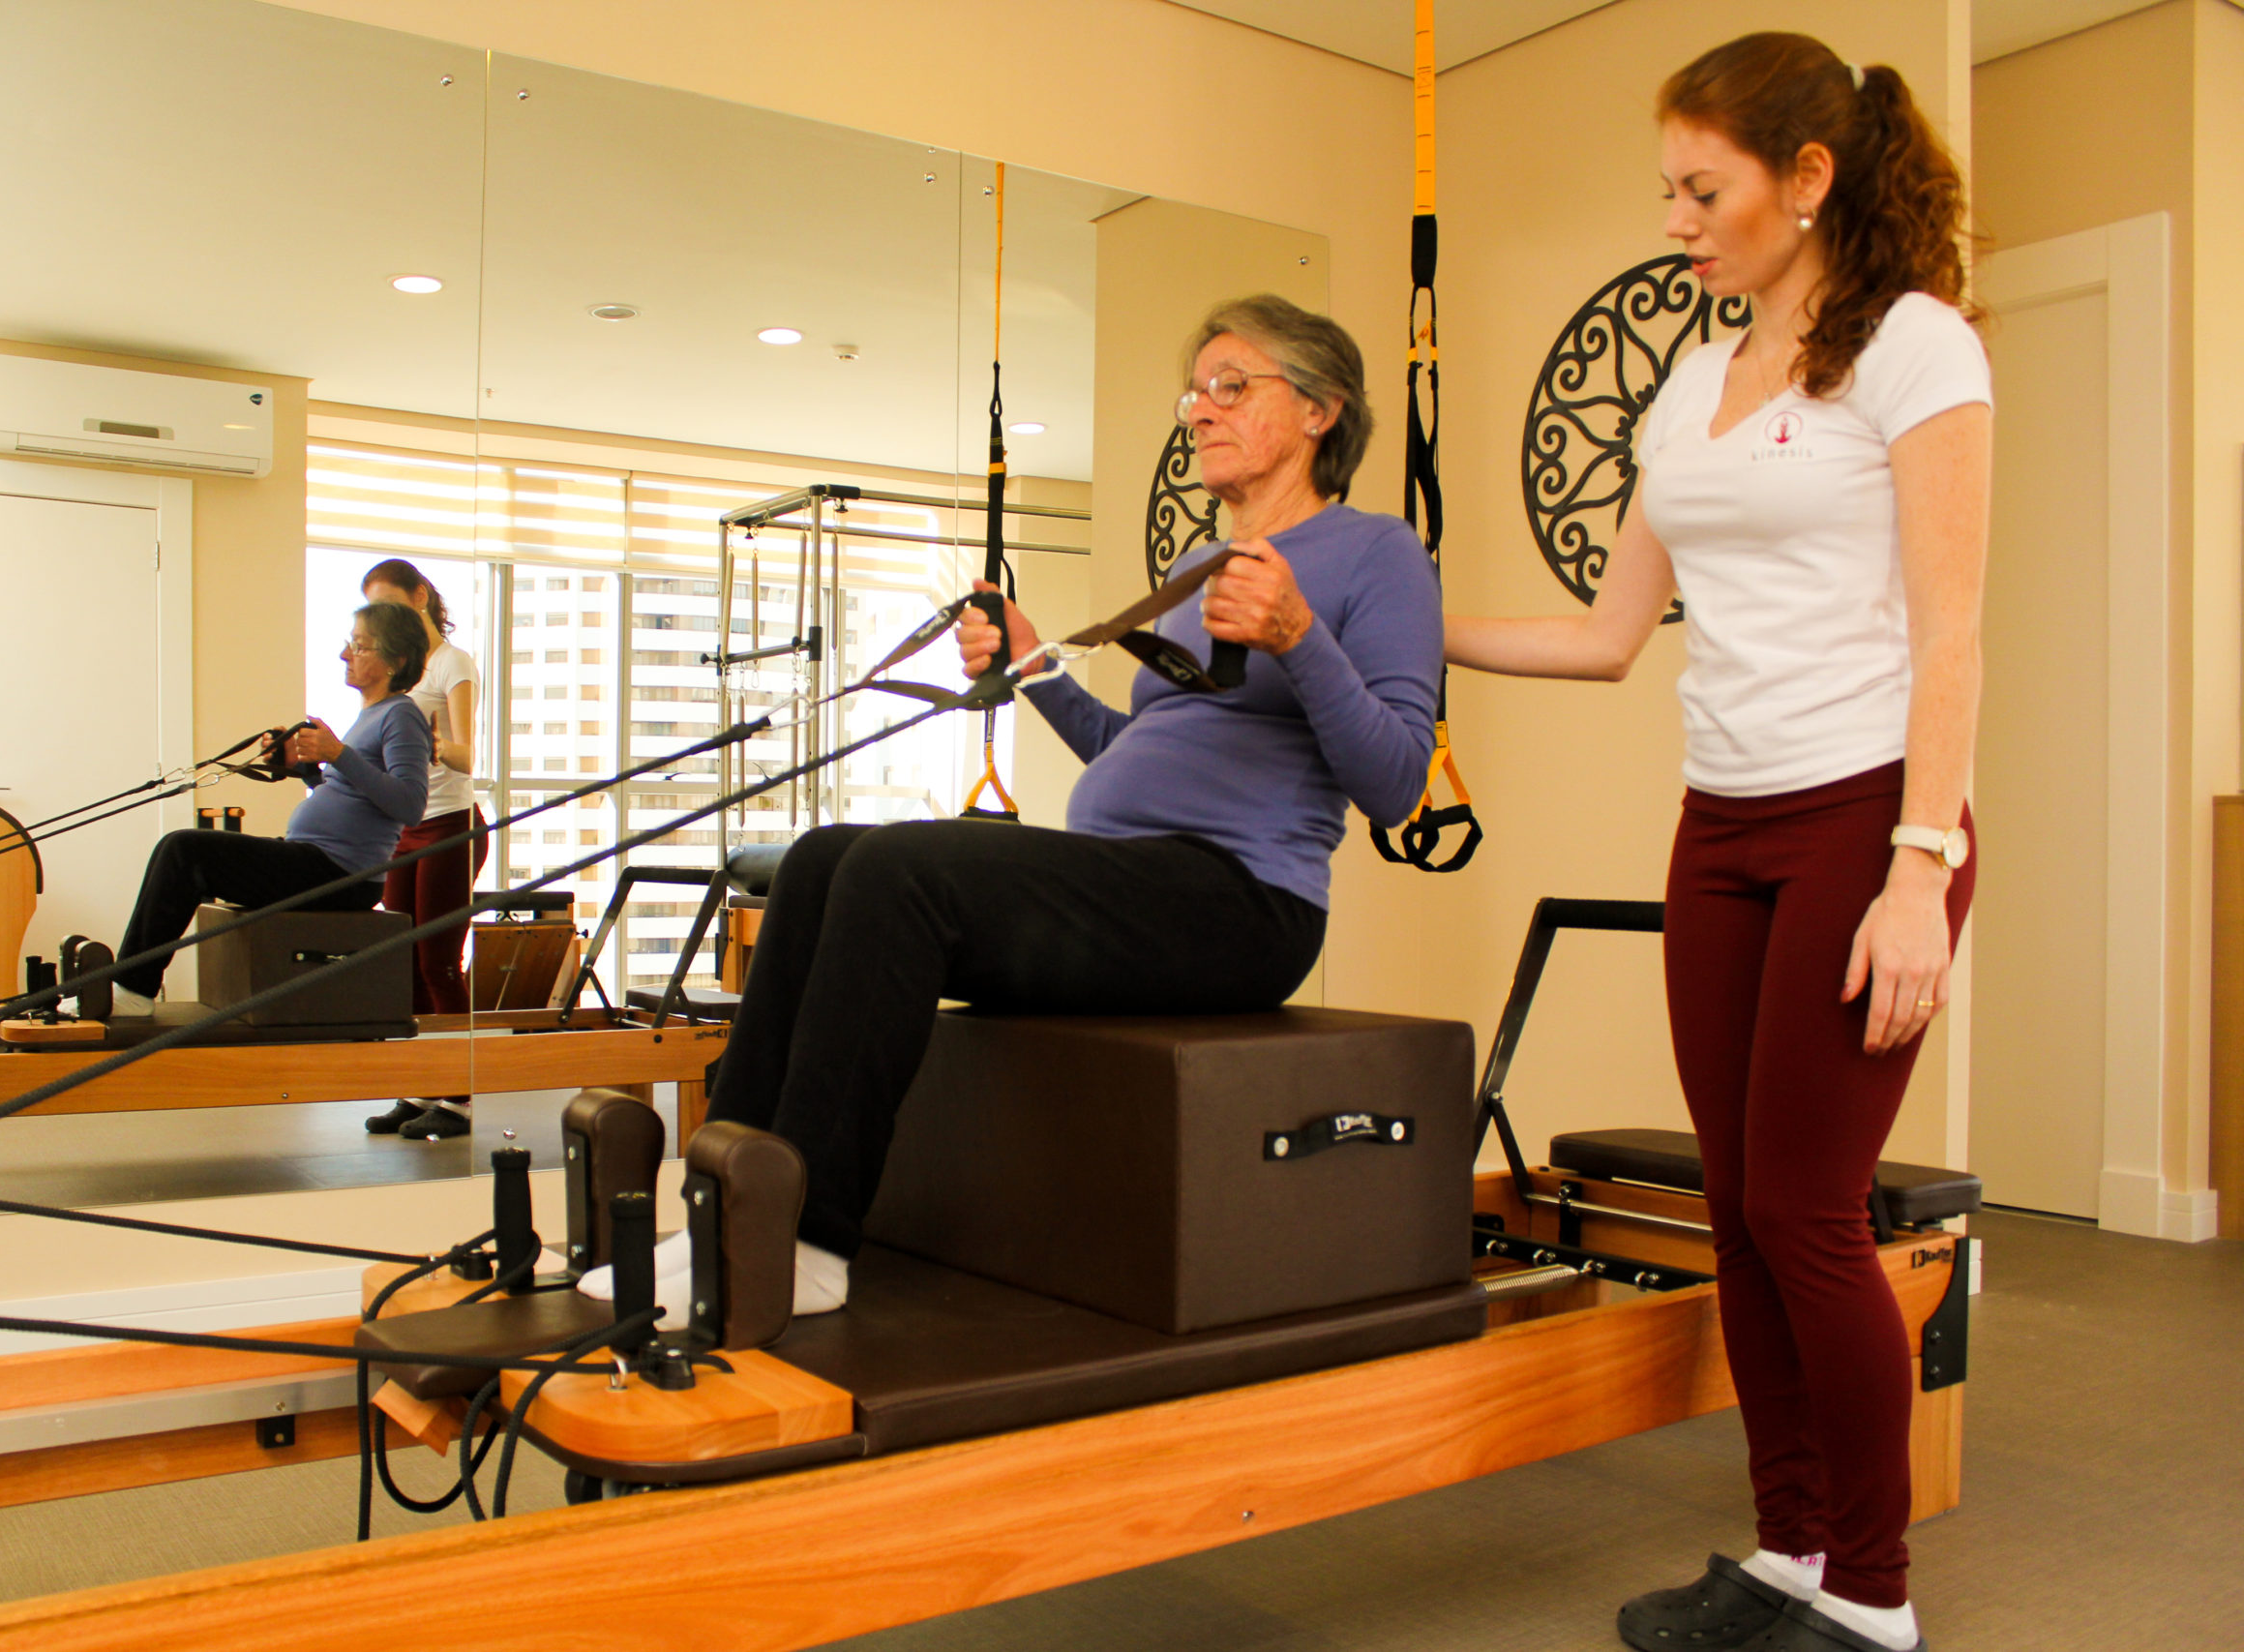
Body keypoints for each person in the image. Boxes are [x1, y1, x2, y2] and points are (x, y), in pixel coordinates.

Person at [583, 292, 1442, 1327]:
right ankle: (719, 1208)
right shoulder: (1190, 570)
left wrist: (1301, 634)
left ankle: (806, 1239)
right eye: (1194, 393)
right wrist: (1033, 668)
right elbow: (1140, 752)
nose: (1199, 411)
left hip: (1243, 902)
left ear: (1320, 410)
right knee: (817, 860)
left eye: (1232, 386)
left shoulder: (1378, 553)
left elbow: (1397, 782)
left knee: (905, 873)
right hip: (1131, 880)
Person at [1445, 35, 1987, 1652]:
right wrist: (1405, 623)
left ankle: (1875, 1601)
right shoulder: (1693, 381)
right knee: (1739, 1210)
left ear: (1805, 180)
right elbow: (1614, 634)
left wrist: (1919, 866)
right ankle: (1791, 1559)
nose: (1678, 218)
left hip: (1864, 814)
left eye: (1704, 188)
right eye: (1667, 190)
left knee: (1810, 1210)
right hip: (1723, 822)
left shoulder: (1914, 349)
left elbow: (1951, 634)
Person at [108, 602, 433, 1017]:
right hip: (317, 859)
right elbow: (355, 797)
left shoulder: (402, 715)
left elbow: (410, 805)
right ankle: (128, 982)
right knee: (174, 849)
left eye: (359, 645)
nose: (344, 654)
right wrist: (305, 770)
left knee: (184, 851)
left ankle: (133, 990)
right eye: (348, 644)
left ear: (395, 660)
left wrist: (337, 754)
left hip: (341, 872)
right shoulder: (371, 715)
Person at [357, 559, 487, 1140]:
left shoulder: (451, 663)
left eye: (394, 604)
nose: (387, 619)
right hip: (404, 828)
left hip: (449, 825)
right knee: (406, 962)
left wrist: (433, 743)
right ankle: (419, 1088)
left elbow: (467, 756)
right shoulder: (401, 671)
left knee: (438, 961)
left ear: (422, 596)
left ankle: (459, 1098)